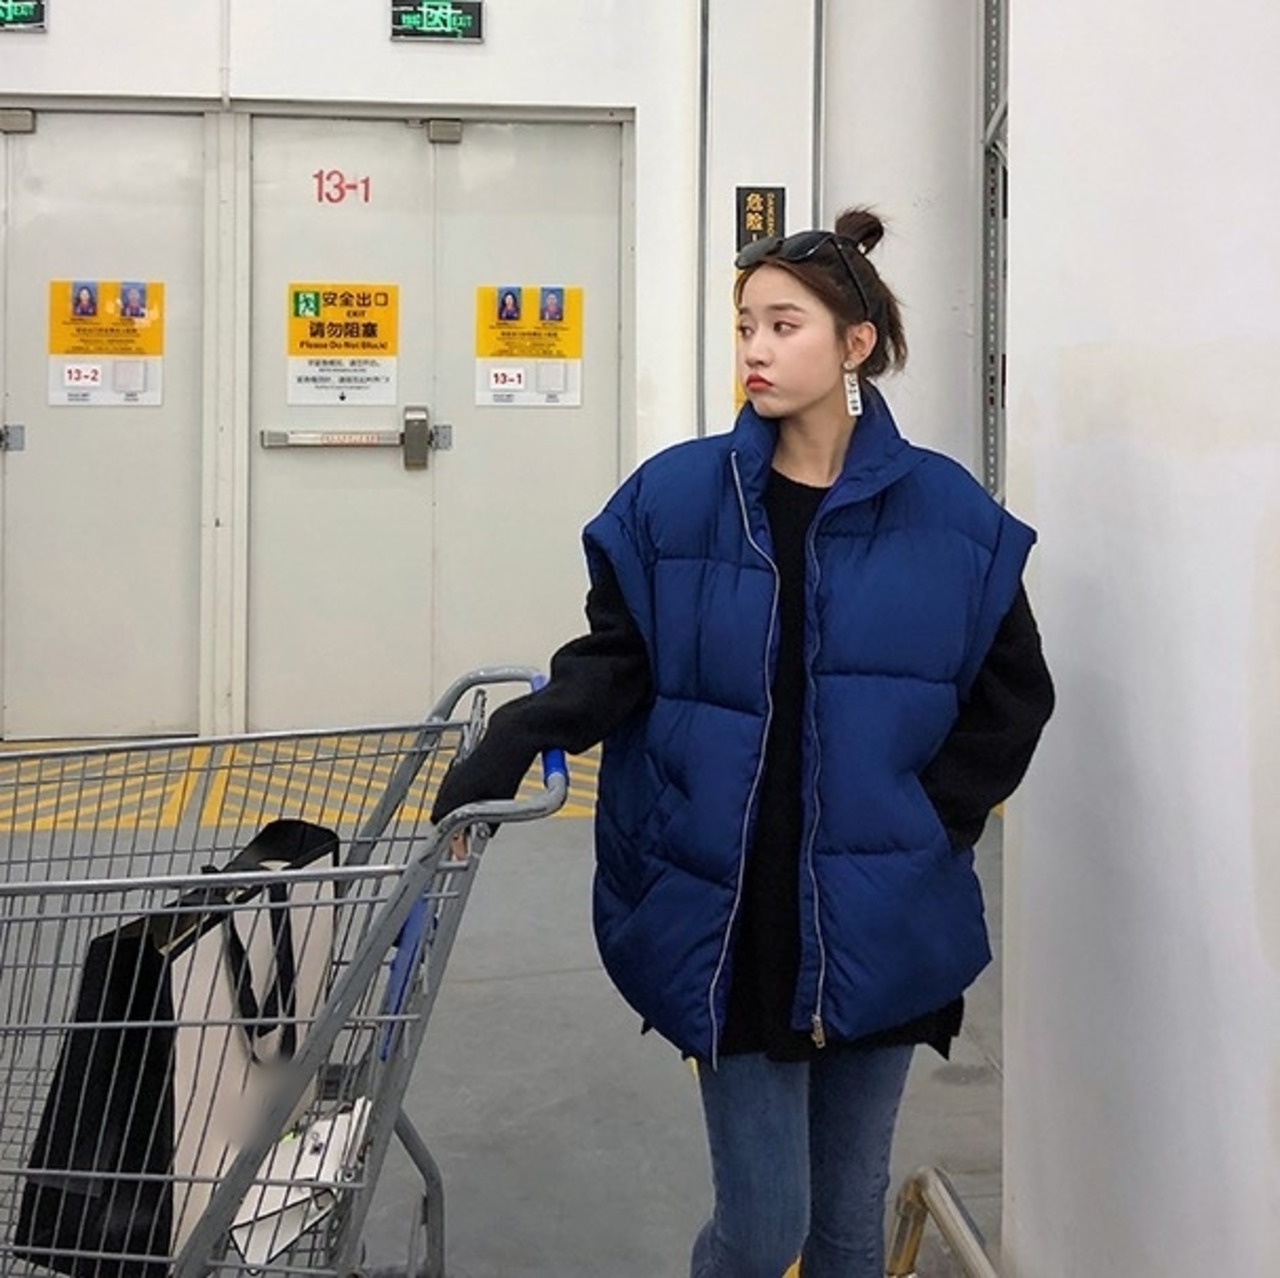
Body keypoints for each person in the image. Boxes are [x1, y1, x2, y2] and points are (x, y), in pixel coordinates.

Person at [432, 207, 1054, 1278]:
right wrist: (521, 731)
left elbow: (1013, 697)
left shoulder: (948, 516)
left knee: (846, 1232)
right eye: (744, 326)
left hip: (879, 915)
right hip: (730, 915)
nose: (755, 350)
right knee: (764, 1229)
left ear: (855, 345)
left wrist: (924, 822)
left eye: (782, 325)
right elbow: (619, 656)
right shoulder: (678, 499)